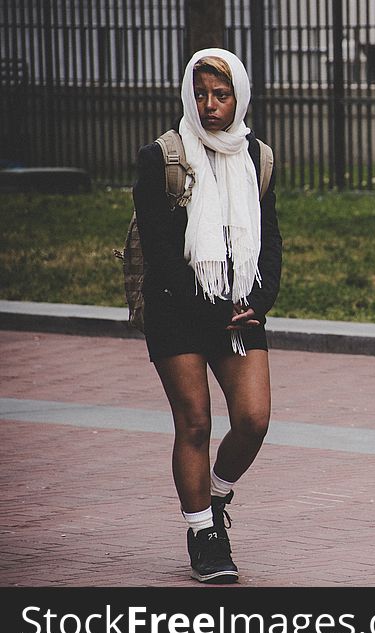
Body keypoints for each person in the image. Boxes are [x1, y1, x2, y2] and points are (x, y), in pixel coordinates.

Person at [132, 48, 282, 584]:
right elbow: (160, 253)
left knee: (253, 420)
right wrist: (210, 304)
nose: (210, 105)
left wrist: (257, 304)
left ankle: (215, 496)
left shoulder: (256, 157)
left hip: (238, 310)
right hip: (177, 311)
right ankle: (202, 533)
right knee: (194, 422)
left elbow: (271, 246)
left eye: (221, 95)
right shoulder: (162, 158)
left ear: (239, 97)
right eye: (200, 94)